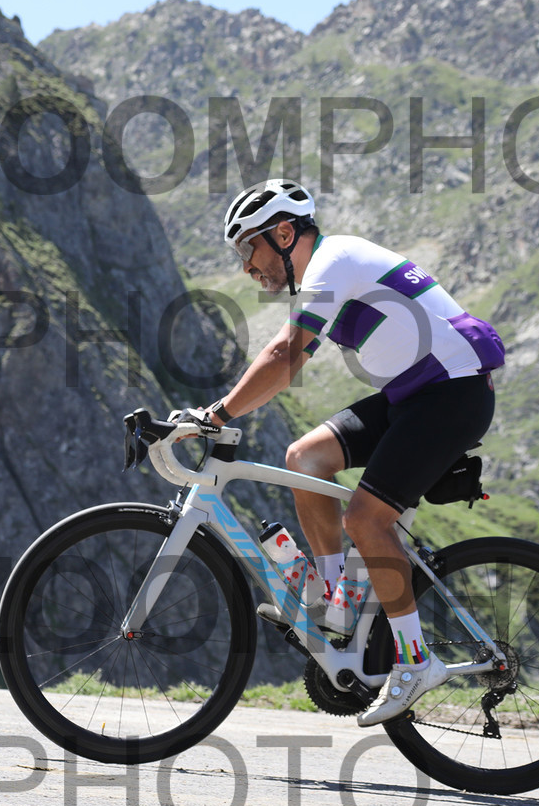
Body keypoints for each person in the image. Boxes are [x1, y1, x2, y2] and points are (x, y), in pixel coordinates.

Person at [186, 179, 504, 726]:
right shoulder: (327, 268)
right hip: (416, 394)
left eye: (249, 248)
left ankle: (415, 662)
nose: (247, 267)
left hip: (453, 392)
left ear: (284, 234)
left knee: (365, 519)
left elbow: (286, 355)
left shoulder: (334, 261)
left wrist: (215, 415)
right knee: (305, 458)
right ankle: (336, 597)